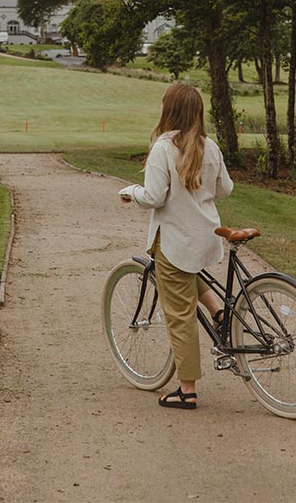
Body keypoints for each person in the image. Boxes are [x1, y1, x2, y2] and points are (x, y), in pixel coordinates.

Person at [119, 82, 234, 410]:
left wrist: (131, 191)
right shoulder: (208, 146)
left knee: (179, 315)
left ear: (168, 110)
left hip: (175, 240)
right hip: (204, 237)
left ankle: (187, 389)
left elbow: (154, 197)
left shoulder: (163, 148)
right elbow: (225, 188)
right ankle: (220, 311)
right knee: (185, 277)